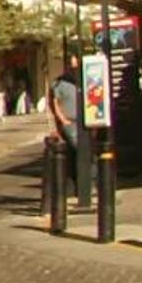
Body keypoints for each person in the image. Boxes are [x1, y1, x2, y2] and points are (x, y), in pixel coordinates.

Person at [50, 54, 83, 187]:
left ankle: (77, 182)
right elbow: (54, 104)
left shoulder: (81, 81)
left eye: (76, 66)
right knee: (77, 148)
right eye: (71, 66)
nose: (74, 69)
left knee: (78, 154)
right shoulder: (58, 83)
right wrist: (63, 120)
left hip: (81, 121)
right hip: (69, 122)